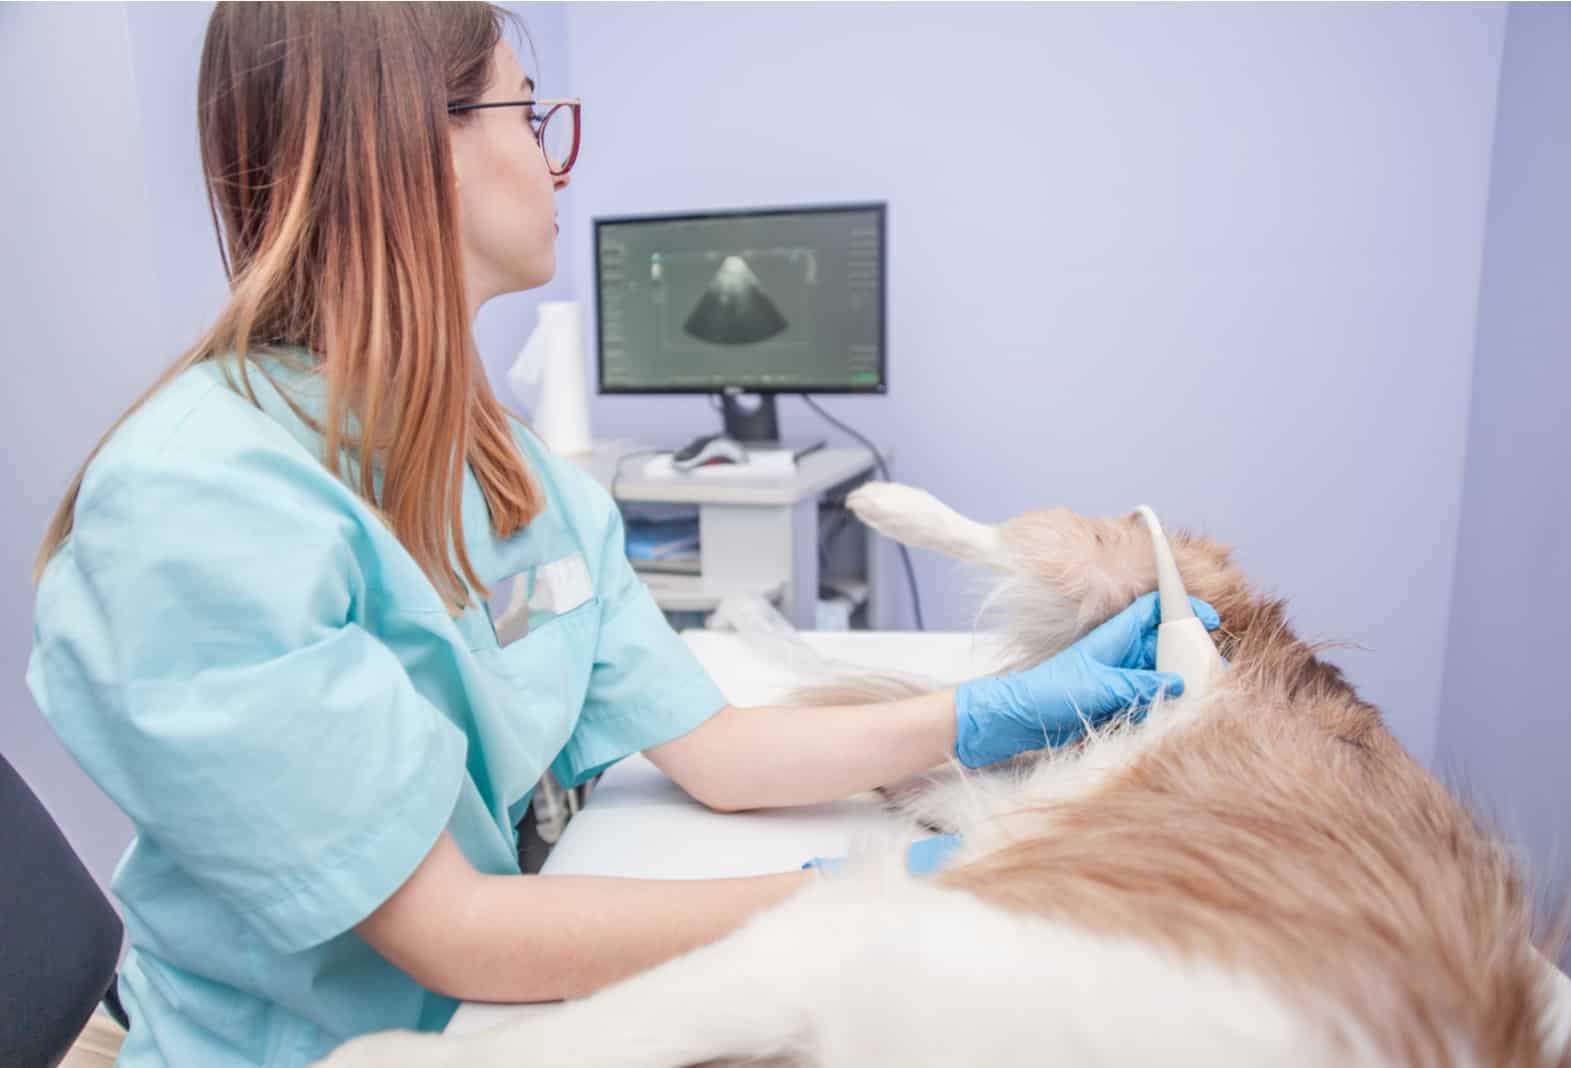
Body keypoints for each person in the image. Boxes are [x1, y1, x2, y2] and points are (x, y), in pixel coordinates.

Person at [25, 5, 1213, 1065]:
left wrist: (998, 711)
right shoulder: (196, 506)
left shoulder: (503, 464)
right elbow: (458, 936)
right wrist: (883, 892)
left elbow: (720, 751)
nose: (553, 160)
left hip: (509, 1011)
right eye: (529, 115)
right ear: (408, 142)